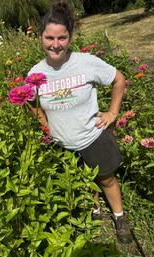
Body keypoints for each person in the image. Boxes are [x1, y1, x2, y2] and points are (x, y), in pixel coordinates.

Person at [27, 0, 133, 244]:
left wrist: (112, 113)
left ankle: (119, 216)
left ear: (70, 37)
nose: (55, 45)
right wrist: (45, 127)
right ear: (41, 37)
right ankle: (94, 211)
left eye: (61, 38)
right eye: (49, 38)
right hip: (62, 144)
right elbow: (31, 103)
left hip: (92, 136)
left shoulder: (86, 62)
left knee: (106, 178)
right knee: (83, 182)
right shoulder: (34, 74)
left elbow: (119, 79)